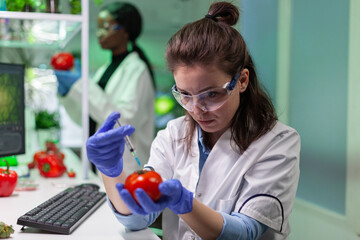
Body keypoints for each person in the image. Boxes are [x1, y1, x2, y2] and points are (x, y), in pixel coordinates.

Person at [86, 1, 300, 239]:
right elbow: (138, 218)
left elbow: (246, 232)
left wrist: (184, 204)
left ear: (242, 81)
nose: (197, 110)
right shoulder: (172, 135)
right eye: (185, 95)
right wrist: (111, 171)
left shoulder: (278, 142)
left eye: (211, 94)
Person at [55, 2, 155, 173]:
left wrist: (81, 84)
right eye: (98, 27)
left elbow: (124, 123)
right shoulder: (104, 70)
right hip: (101, 166)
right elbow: (87, 119)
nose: (99, 33)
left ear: (125, 30)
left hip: (128, 168)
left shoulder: (137, 69)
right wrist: (68, 94)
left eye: (106, 27)